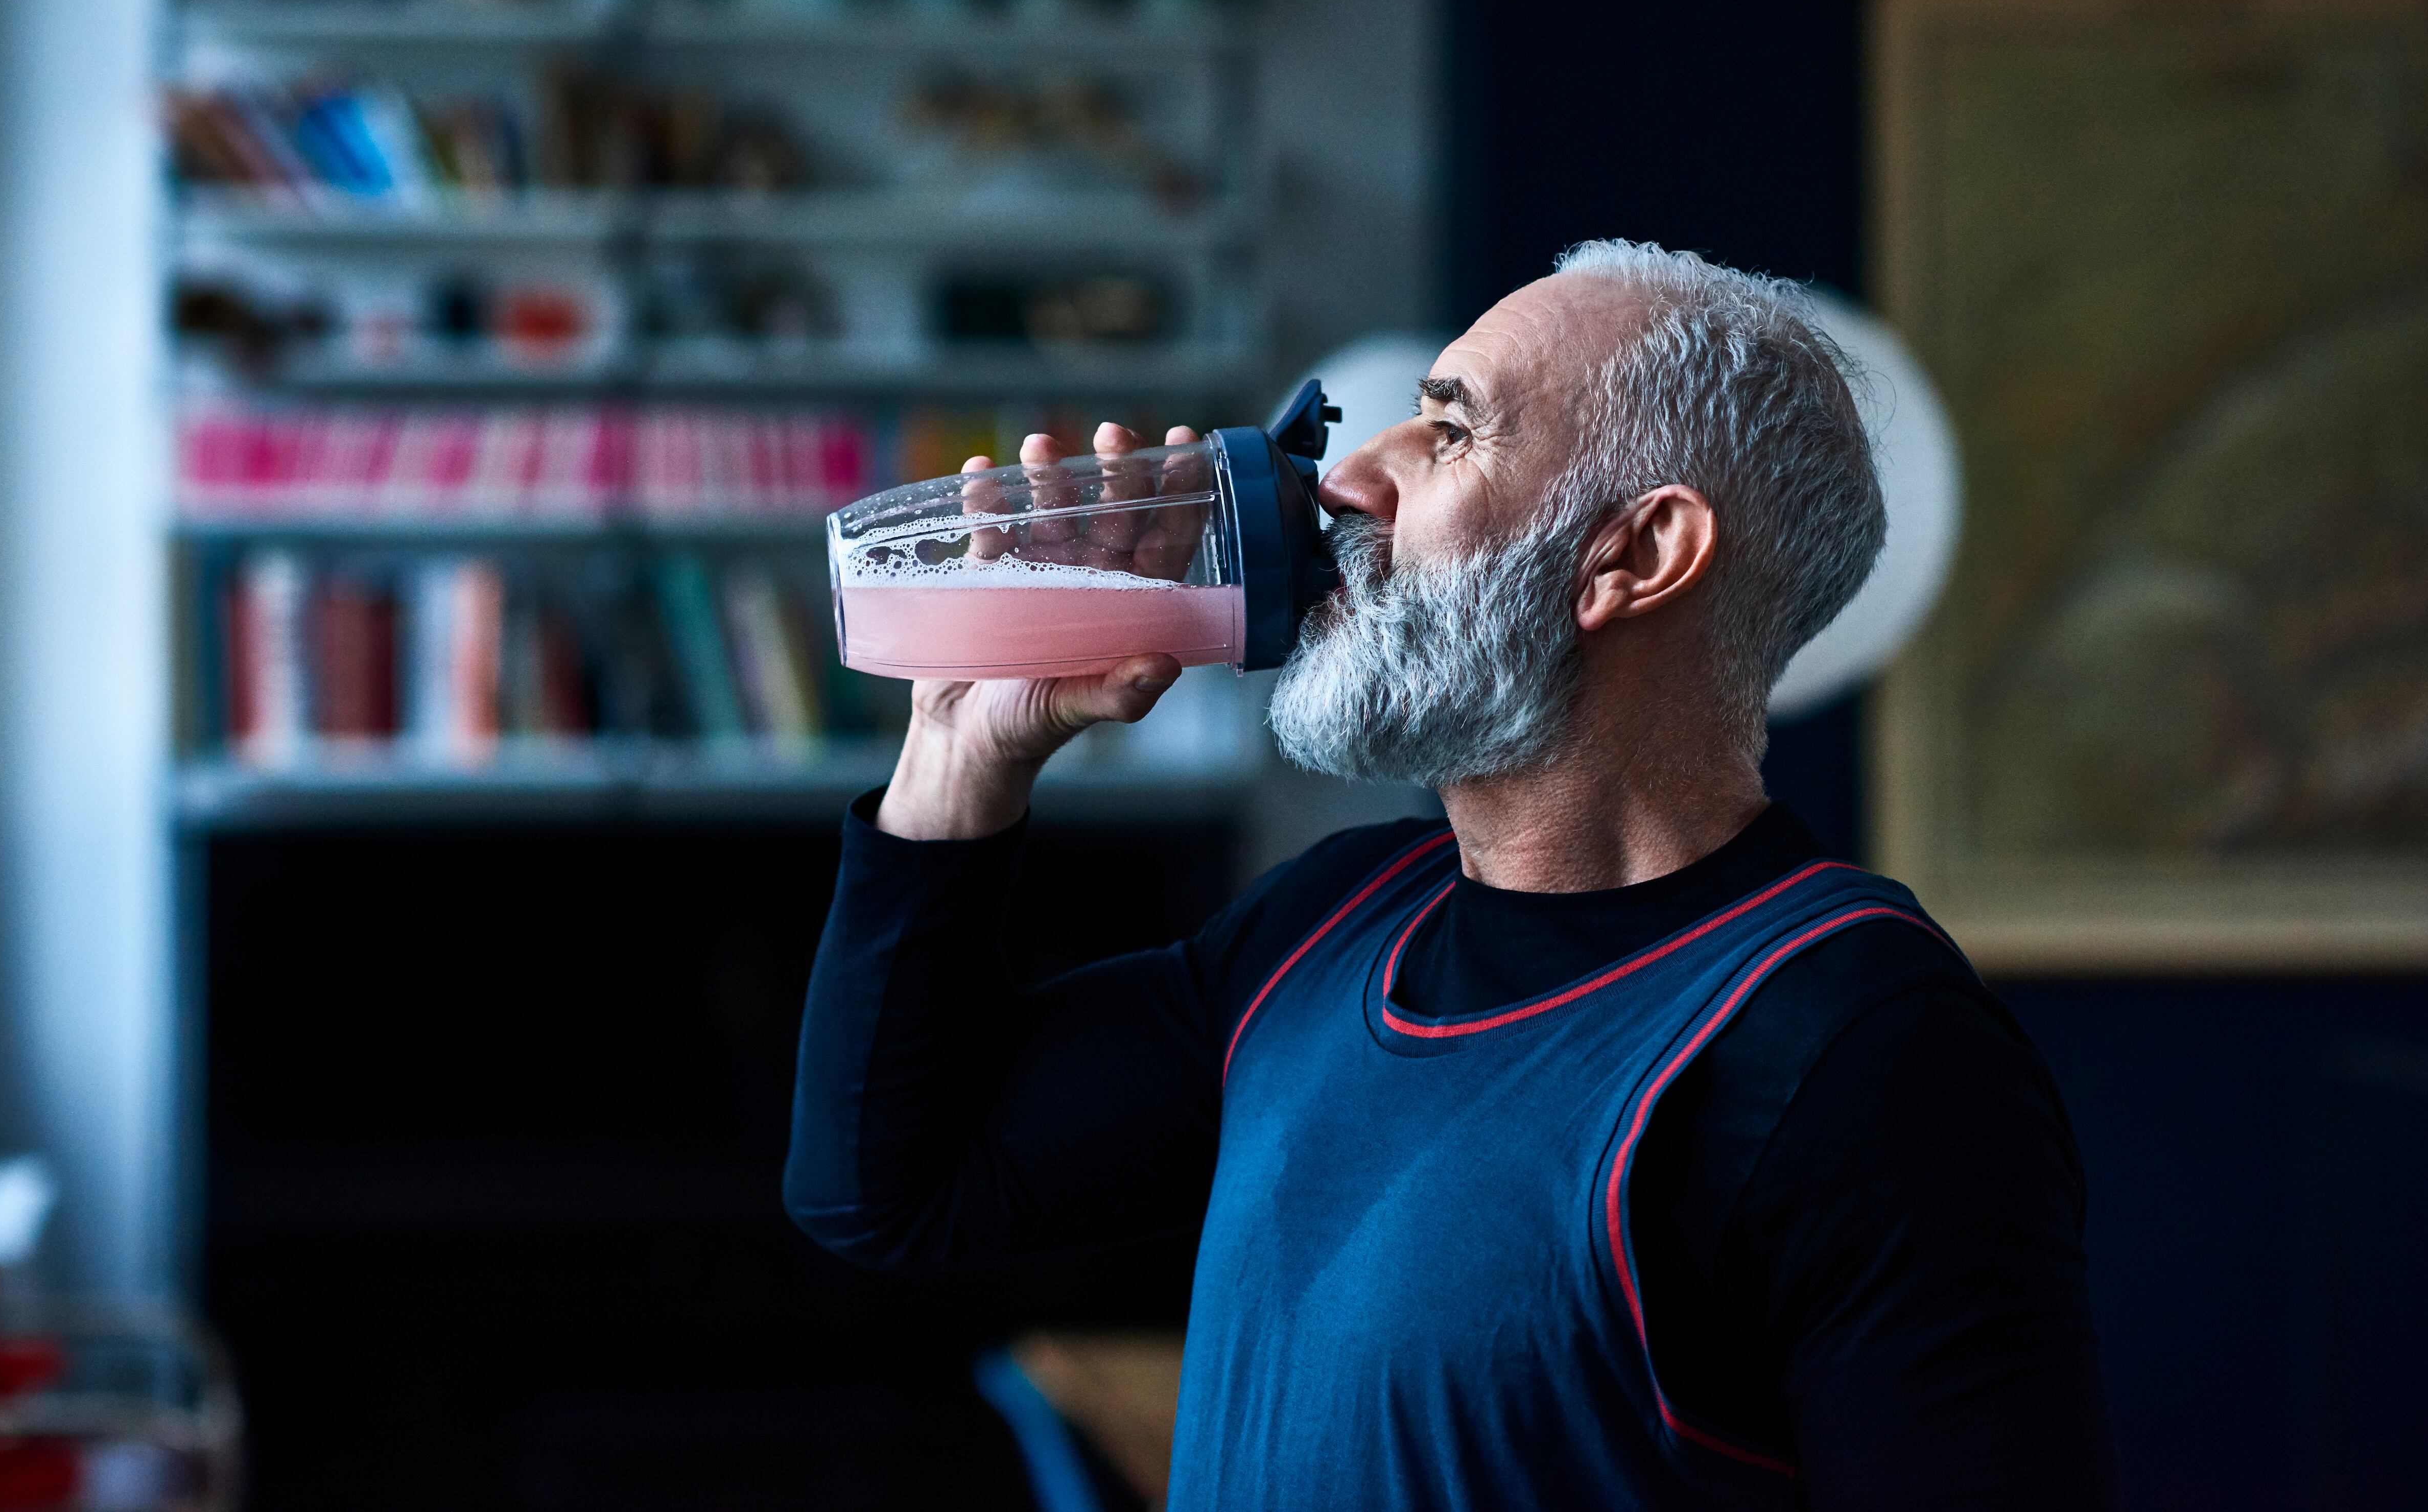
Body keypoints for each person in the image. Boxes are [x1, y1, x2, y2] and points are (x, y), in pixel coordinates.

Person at [784, 242, 2118, 1509]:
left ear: (1637, 555)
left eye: (1451, 428)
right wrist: (964, 747)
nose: (1353, 478)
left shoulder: (1858, 1051)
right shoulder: (1329, 925)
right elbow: (890, 1188)